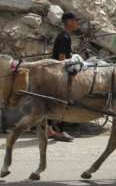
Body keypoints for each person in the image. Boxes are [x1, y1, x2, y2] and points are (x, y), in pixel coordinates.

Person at [48, 12, 79, 142]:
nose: (77, 23)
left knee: (57, 102)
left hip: (57, 72)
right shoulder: (64, 37)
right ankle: (58, 131)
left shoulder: (65, 36)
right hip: (59, 74)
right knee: (63, 101)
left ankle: (51, 129)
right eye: (76, 20)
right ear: (70, 22)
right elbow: (61, 59)